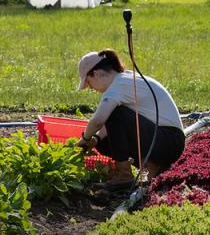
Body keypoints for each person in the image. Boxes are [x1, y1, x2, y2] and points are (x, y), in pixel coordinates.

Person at [75, 49, 185, 188]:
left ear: (96, 73)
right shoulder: (124, 80)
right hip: (167, 141)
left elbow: (98, 121)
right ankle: (153, 167)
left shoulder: (118, 85)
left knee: (115, 113)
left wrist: (83, 140)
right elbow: (109, 127)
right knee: (102, 140)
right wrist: (95, 139)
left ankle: (124, 175)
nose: (92, 89)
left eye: (89, 83)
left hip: (168, 140)